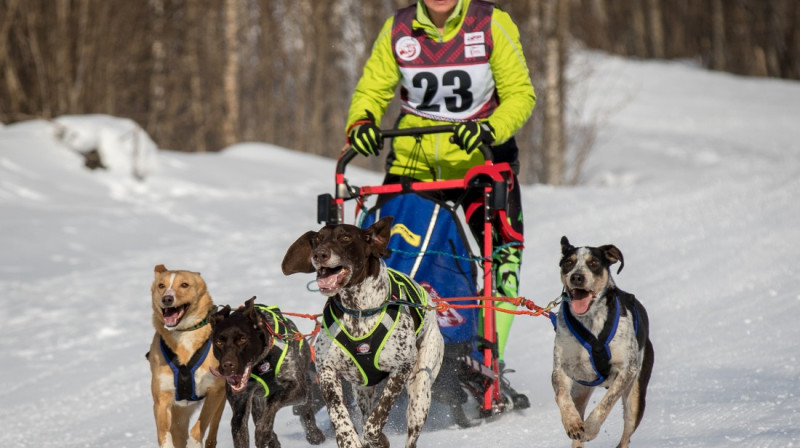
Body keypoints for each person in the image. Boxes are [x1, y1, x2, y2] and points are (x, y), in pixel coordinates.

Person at [345, 0, 536, 408]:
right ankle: (373, 351)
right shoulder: (399, 29)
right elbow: (373, 89)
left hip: (481, 164)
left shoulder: (489, 23)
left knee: (502, 257)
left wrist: (490, 128)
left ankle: (487, 358)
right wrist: (361, 122)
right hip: (413, 162)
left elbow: (521, 94)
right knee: (381, 254)